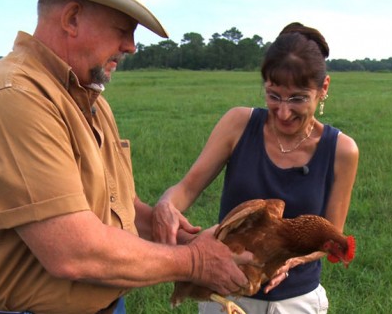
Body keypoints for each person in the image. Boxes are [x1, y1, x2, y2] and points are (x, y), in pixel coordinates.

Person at [0, 0, 252, 313]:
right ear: (72, 18)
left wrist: (194, 243)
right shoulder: (12, 97)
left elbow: (121, 210)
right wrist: (195, 261)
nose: (131, 47)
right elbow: (73, 252)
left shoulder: (91, 100)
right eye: (123, 30)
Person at [151, 22, 360, 314]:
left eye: (298, 98)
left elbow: (332, 234)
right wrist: (165, 204)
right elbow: (187, 187)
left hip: (295, 302)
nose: (283, 112)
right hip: (224, 291)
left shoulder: (341, 150)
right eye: (273, 95)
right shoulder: (238, 125)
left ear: (323, 89)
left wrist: (290, 260)